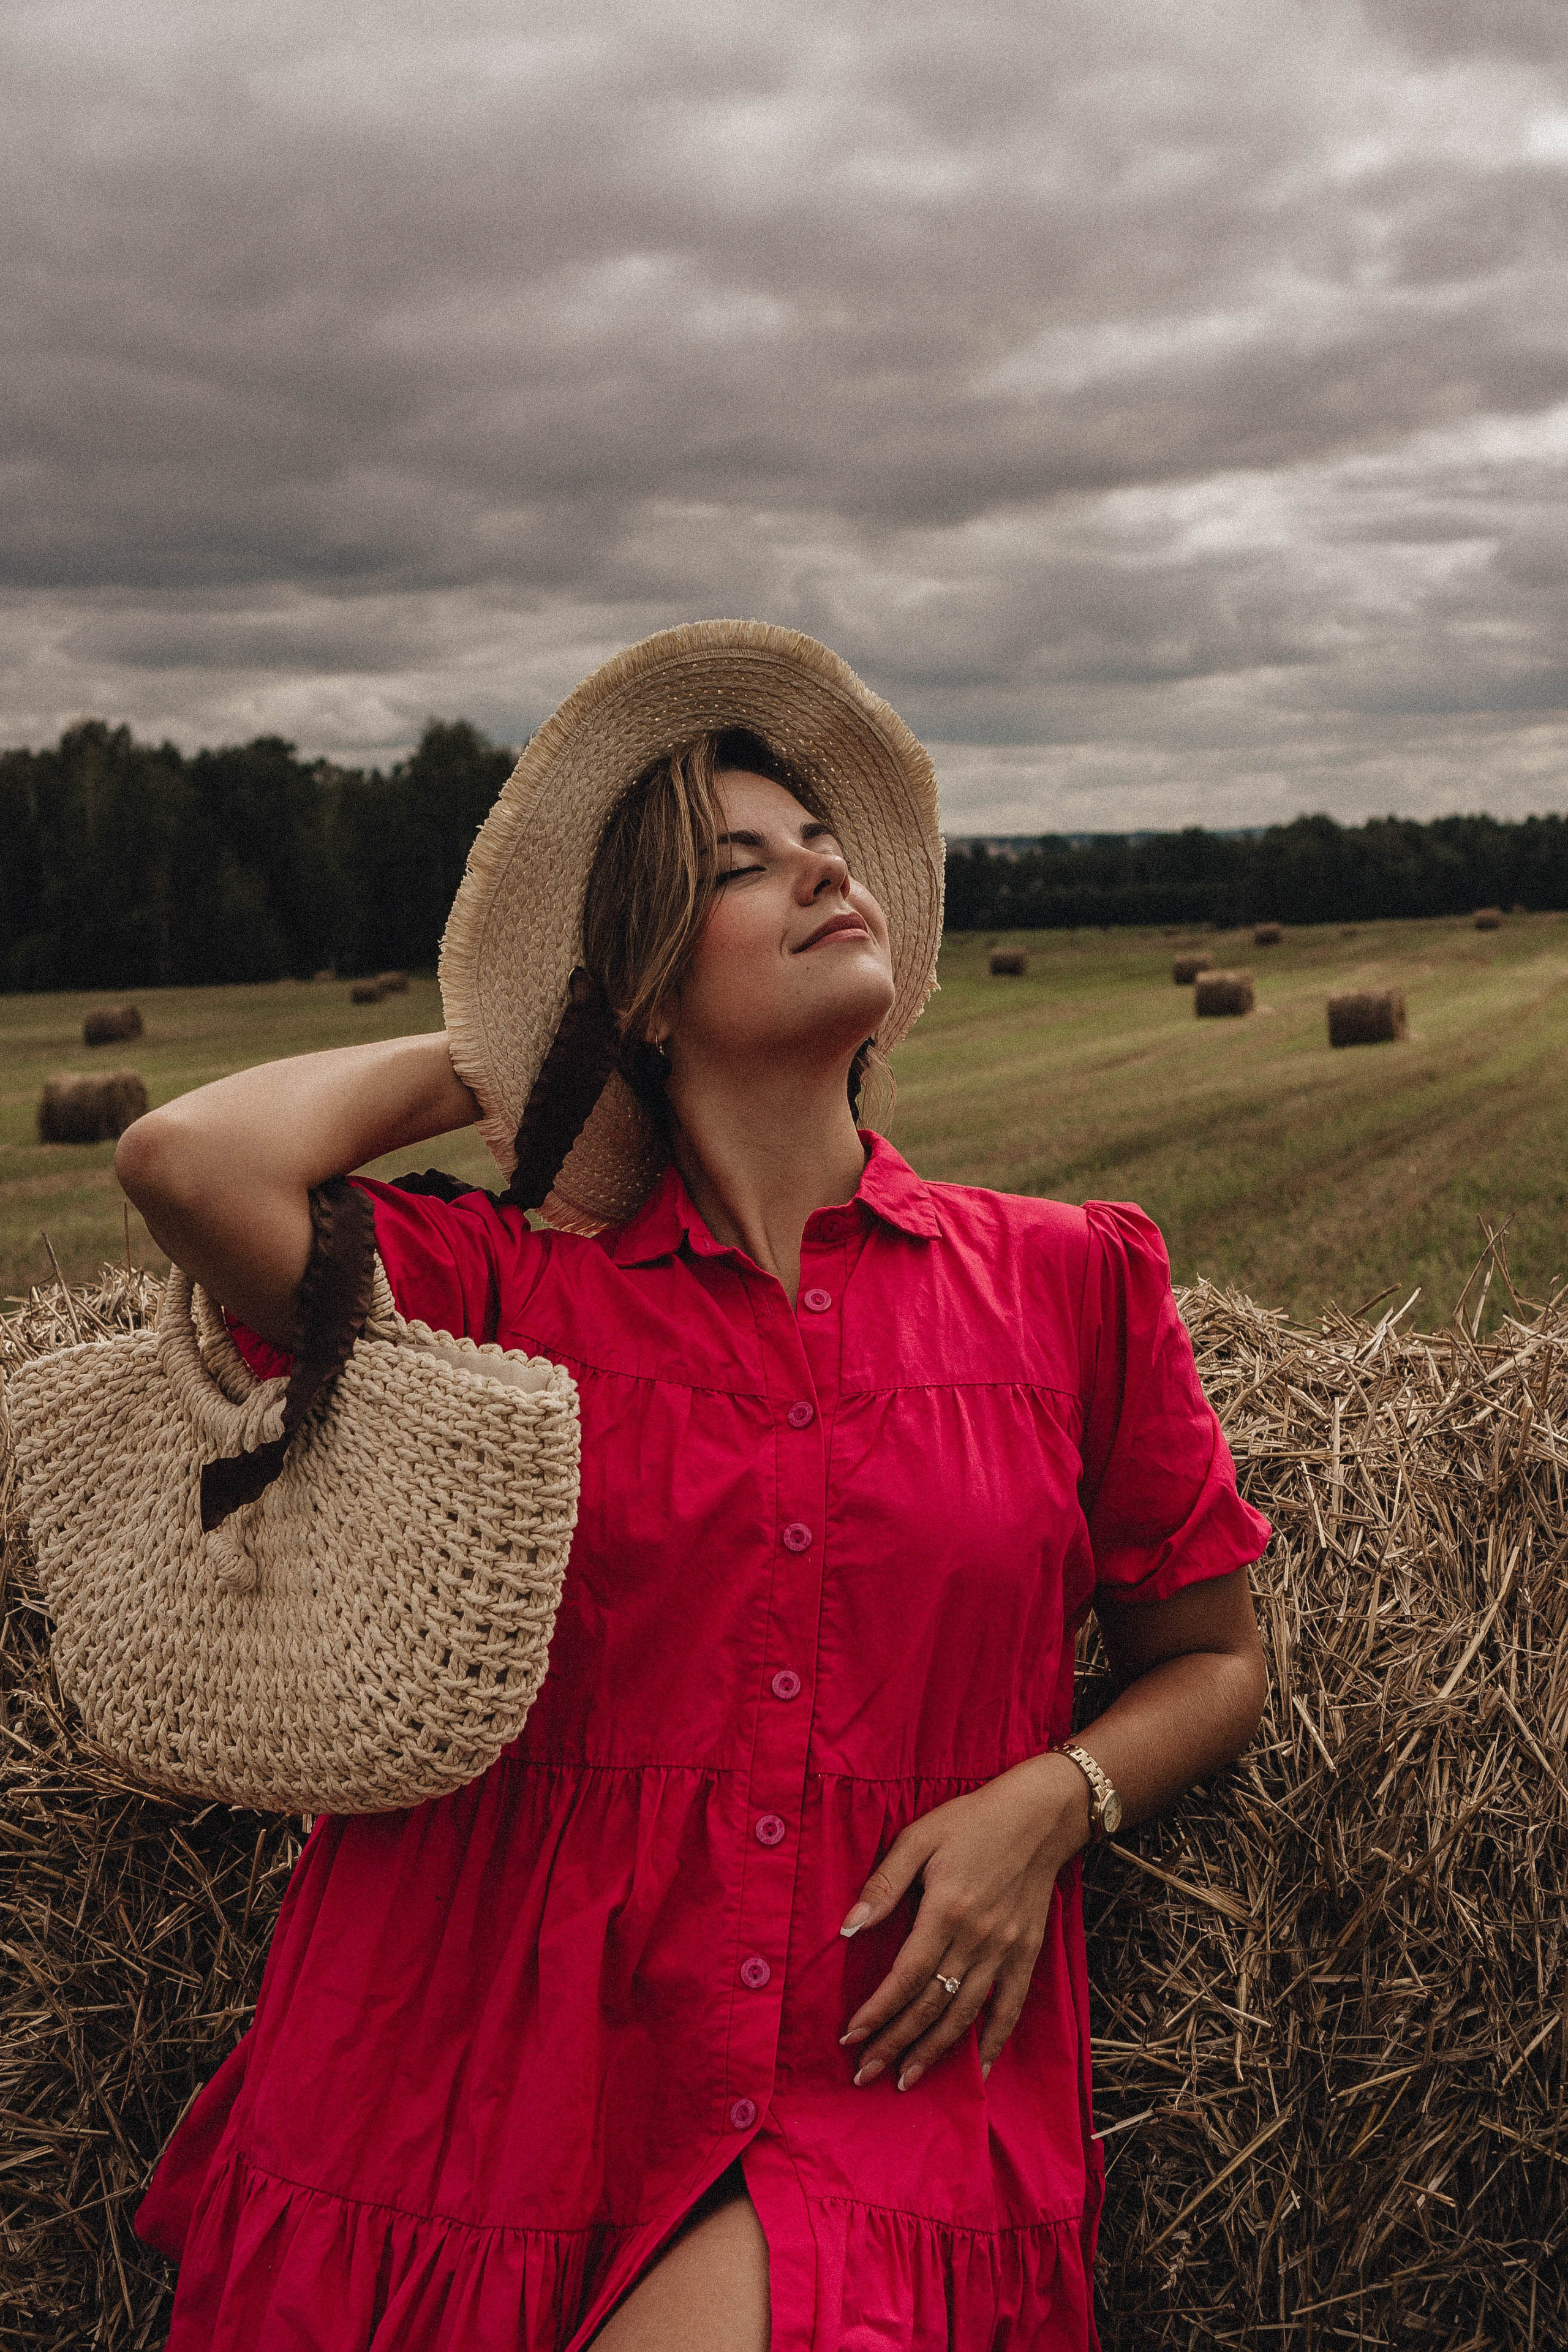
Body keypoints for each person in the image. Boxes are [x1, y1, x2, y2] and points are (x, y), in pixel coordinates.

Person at [118, 622, 1269, 2351]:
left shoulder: (1067, 1284)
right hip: (472, 2060)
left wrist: (1060, 1797)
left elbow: (1218, 1656)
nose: (822, 872)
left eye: (825, 847)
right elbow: (184, 1164)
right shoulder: (500, 1296)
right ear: (645, 982)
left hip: (874, 2055)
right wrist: (510, 1044)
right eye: (742, 867)